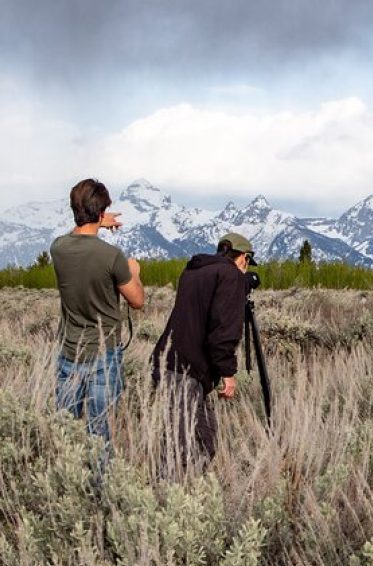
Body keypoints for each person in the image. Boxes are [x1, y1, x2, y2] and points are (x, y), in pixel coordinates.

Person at [51, 178, 145, 453]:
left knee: (65, 430)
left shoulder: (58, 248)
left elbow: (75, 234)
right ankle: (99, 490)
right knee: (100, 432)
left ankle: (65, 485)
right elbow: (137, 301)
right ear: (102, 212)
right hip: (104, 355)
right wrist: (135, 273)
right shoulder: (112, 256)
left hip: (69, 352)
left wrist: (95, 220)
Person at [151, 232, 255, 471]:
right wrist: (228, 373)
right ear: (243, 258)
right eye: (246, 261)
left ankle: (187, 494)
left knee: (203, 439)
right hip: (186, 371)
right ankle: (170, 497)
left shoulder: (194, 270)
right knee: (182, 448)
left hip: (171, 363)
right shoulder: (229, 275)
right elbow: (223, 331)